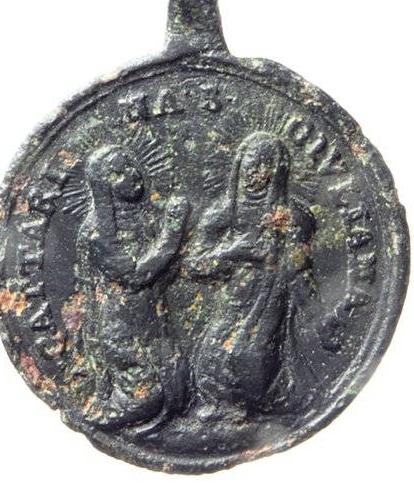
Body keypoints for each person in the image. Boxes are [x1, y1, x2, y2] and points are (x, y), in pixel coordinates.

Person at [185, 131, 316, 415]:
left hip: (269, 304)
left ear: (276, 171)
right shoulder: (223, 214)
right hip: (233, 303)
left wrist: (315, 313)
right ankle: (221, 407)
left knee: (252, 360)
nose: (254, 173)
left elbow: (299, 273)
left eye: (262, 166)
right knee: (211, 363)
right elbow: (193, 265)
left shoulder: (292, 217)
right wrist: (232, 251)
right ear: (239, 165)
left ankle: (264, 406)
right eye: (249, 164)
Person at [73, 145, 189, 430]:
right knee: (148, 395)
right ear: (104, 186)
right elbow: (136, 275)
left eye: (130, 165)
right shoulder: (97, 233)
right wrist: (174, 231)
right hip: (121, 329)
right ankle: (108, 417)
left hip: (152, 318)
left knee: (179, 385)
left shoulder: (144, 216)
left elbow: (168, 271)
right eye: (118, 172)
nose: (132, 174)